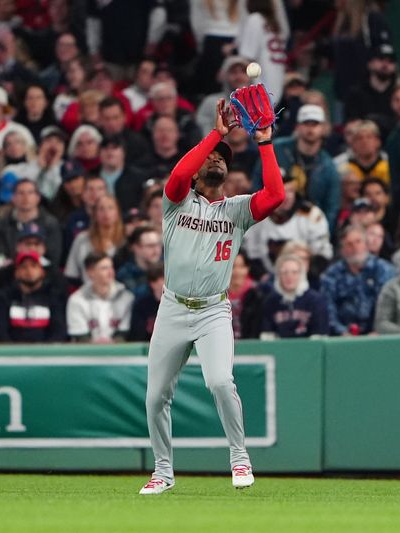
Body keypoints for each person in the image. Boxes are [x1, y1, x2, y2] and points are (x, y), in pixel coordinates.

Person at [139, 98, 284, 494]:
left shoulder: (236, 211)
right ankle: (163, 471)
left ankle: (240, 459)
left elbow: (275, 195)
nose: (218, 160)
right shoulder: (176, 201)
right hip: (172, 307)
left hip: (213, 311)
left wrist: (265, 142)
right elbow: (178, 173)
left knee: (220, 381)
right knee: (155, 397)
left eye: (224, 158)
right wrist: (216, 135)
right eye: (212, 157)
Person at [254, 104, 340, 232]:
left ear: (323, 128)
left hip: (310, 225)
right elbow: (257, 183)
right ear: (297, 126)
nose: (310, 129)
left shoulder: (329, 166)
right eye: (306, 124)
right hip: (271, 220)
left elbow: (332, 207)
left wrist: (324, 232)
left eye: (315, 124)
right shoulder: (277, 149)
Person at [243, 173, 332, 276]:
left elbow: (323, 253)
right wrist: (264, 279)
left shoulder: (311, 214)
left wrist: (305, 277)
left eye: (290, 191)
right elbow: (252, 254)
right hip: (267, 280)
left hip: (306, 278)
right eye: (280, 191)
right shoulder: (256, 216)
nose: (287, 196)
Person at [320, 225, 396, 336]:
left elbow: (389, 307)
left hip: (378, 335)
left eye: (358, 242)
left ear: (366, 245)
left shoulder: (384, 270)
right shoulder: (331, 275)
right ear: (342, 250)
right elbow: (328, 309)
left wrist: (378, 331)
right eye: (349, 244)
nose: (354, 247)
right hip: (342, 338)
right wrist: (342, 332)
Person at [0, 250, 68, 342]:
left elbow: (59, 331)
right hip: (12, 354)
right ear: (16, 273)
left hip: (46, 354)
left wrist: (45, 353)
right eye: (24, 267)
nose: (29, 270)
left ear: (42, 272)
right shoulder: (5, 296)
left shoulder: (53, 296)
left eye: (33, 266)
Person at [0, 179, 63, 268]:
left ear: (38, 197)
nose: (25, 197)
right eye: (21, 193)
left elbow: (54, 258)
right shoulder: (2, 223)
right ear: (13, 198)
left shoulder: (50, 223)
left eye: (30, 193)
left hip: (43, 273)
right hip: (10, 273)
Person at [66, 252, 134, 342]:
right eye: (104, 268)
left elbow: (124, 333)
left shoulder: (126, 298)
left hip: (120, 353)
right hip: (86, 354)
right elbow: (80, 336)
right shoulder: (77, 300)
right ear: (90, 272)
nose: (111, 272)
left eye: (111, 267)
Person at [259, 254, 329, 339]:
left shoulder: (316, 300)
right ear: (278, 276)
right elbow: (267, 335)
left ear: (302, 275)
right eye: (284, 272)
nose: (289, 276)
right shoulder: (270, 301)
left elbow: (320, 334)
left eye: (294, 272)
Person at [65, 194, 125, 283]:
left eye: (110, 208)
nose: (106, 213)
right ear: (95, 213)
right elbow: (71, 273)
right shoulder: (82, 239)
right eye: (101, 209)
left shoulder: (125, 240)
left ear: (117, 213)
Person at [344, 43, 400, 126]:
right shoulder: (356, 94)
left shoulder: (399, 94)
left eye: (390, 61)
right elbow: (351, 124)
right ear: (370, 63)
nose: (385, 64)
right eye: (381, 59)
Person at [116, 226, 163, 298]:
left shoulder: (168, 267)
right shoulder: (125, 273)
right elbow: (133, 296)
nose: (156, 250)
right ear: (136, 247)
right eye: (150, 246)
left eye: (158, 245)